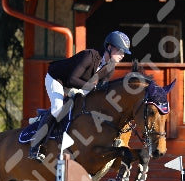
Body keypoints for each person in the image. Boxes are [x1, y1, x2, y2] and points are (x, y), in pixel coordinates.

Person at [28, 30, 131, 161]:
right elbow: (72, 79)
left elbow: (99, 92)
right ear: (109, 47)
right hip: (57, 78)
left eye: (124, 52)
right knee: (58, 109)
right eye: (120, 51)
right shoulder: (89, 56)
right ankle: (35, 147)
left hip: (77, 85)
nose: (122, 55)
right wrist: (93, 87)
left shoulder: (110, 68)